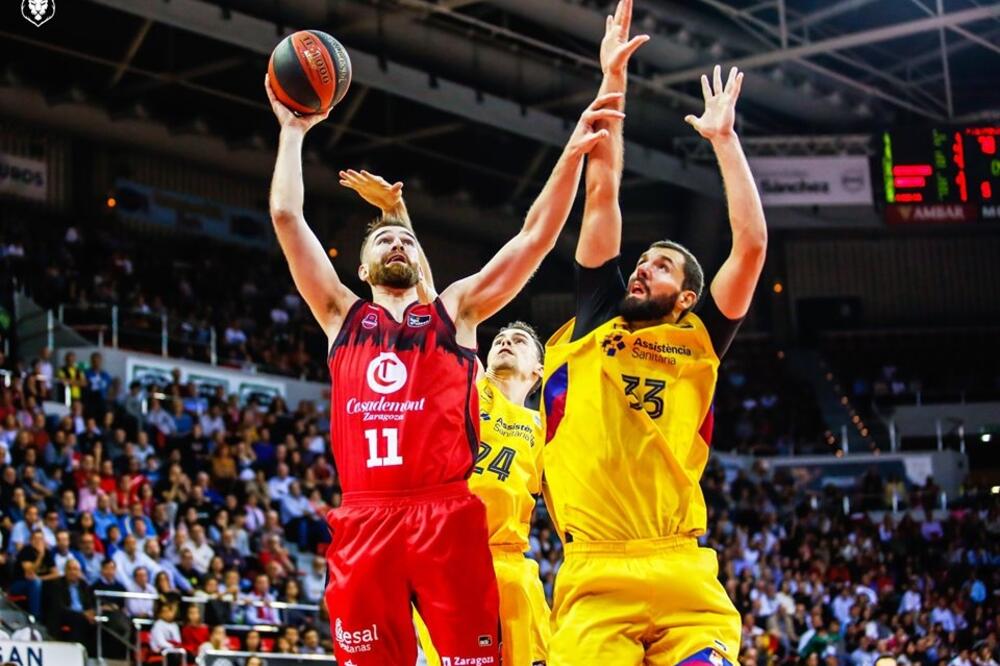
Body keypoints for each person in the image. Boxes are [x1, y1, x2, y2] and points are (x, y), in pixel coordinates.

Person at [265, 57, 622, 664]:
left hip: (447, 517)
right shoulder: (339, 315)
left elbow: (534, 236)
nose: (397, 242)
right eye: (383, 239)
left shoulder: (454, 313)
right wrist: (294, 130)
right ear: (361, 268)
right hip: (366, 517)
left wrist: (569, 155)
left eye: (404, 237)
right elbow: (285, 216)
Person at [538, 2, 767, 664]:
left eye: (659, 265)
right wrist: (613, 81)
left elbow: (750, 246)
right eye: (640, 262)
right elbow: (602, 188)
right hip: (595, 576)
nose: (641, 268)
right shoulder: (597, 314)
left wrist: (725, 141)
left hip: (680, 572)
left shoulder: (699, 339)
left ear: (687, 296)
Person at [418, 322, 551, 666]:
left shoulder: (546, 429)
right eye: (500, 340)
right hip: (447, 561)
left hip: (508, 562)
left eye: (519, 340)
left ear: (539, 370)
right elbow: (453, 320)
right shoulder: (471, 391)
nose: (506, 342)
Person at [45, 558, 97, 654]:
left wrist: (91, 612)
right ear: (65, 571)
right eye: (70, 569)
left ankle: (94, 654)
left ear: (79, 572)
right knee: (80, 619)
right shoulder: (57, 584)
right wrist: (83, 614)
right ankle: (76, 653)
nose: (73, 572)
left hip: (83, 616)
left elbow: (90, 604)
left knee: (99, 622)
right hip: (64, 616)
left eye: (75, 569)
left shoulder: (83, 585)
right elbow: (59, 607)